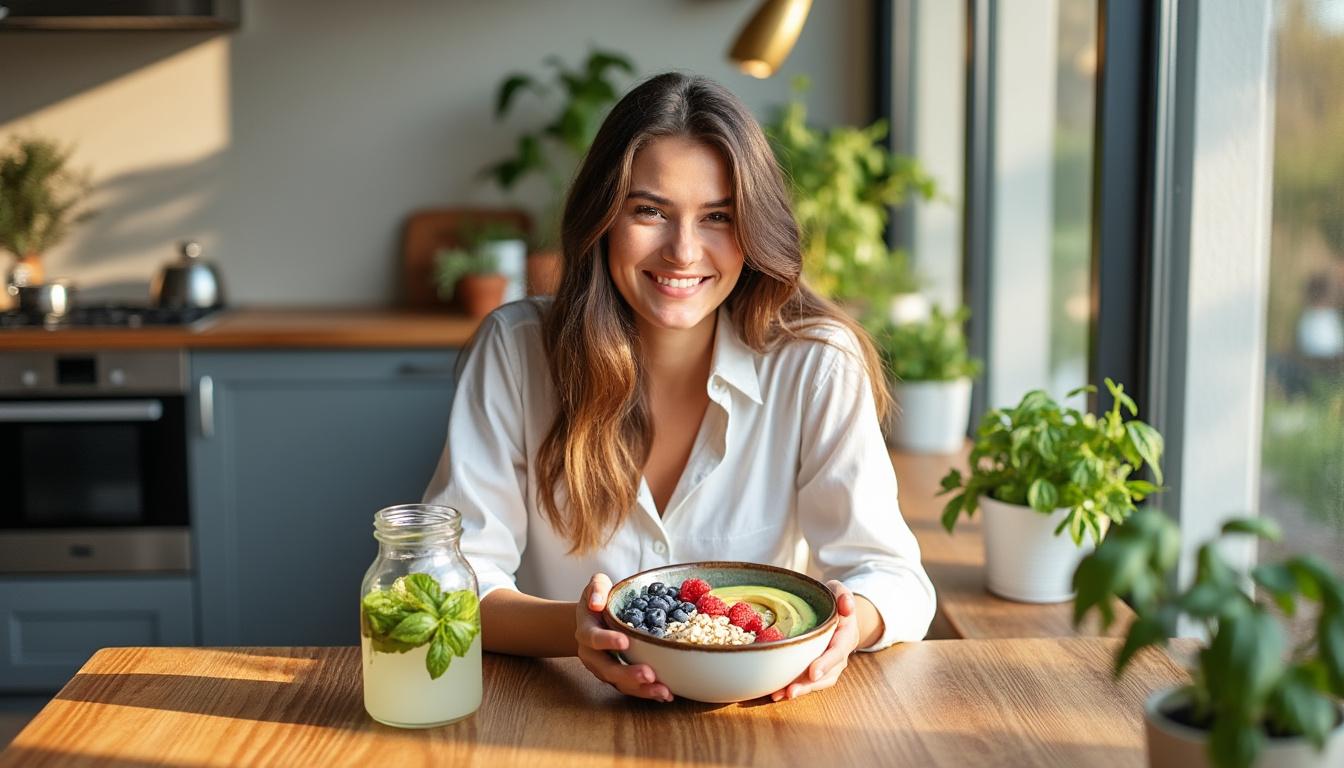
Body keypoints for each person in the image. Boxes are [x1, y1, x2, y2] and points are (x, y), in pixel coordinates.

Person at [423, 72, 935, 703]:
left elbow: (892, 578)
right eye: (650, 211)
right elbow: (449, 581)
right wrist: (581, 632)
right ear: (603, 218)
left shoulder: (816, 365)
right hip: (563, 715)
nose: (684, 251)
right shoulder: (515, 351)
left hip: (763, 725)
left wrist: (846, 631)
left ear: (752, 230)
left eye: (718, 216)